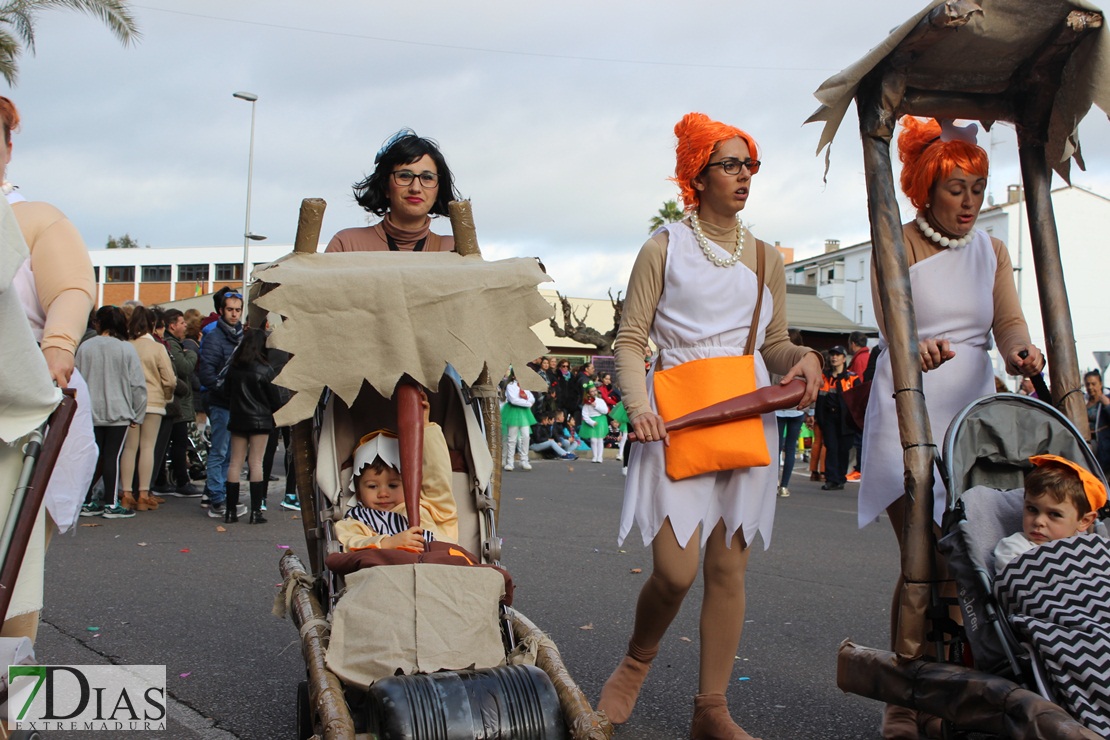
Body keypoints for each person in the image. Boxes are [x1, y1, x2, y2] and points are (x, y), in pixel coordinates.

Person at [599, 112, 822, 740]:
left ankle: (711, 709)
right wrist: (639, 406)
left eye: (748, 164)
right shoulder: (663, 246)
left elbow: (772, 344)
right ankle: (635, 663)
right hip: (672, 419)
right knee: (675, 572)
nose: (743, 175)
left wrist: (800, 360)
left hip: (746, 417)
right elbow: (631, 339)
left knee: (729, 571)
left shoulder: (764, 256)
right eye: (729, 164)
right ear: (696, 176)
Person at [857, 116, 1045, 739]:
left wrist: (1021, 353)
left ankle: (950, 693)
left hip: (972, 417)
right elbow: (892, 320)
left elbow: (1009, 322)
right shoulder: (899, 240)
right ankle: (903, 700)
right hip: (908, 403)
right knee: (921, 561)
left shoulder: (991, 250)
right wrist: (917, 346)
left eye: (979, 187)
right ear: (926, 188)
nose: (971, 201)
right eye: (957, 187)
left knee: (965, 561)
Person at [0, 96, 99, 644]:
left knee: (13, 571)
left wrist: (58, 346)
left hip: (22, 414)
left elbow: (70, 288)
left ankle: (11, 710)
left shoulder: (31, 218)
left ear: (9, 147)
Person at [335, 393, 457, 550]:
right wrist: (387, 543)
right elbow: (348, 543)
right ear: (358, 492)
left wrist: (424, 426)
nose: (383, 494)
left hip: (436, 566)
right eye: (372, 486)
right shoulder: (358, 521)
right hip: (391, 570)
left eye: (393, 485)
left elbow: (437, 477)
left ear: (409, 485)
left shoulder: (430, 508)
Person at [326, 129, 460, 253]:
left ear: (438, 190)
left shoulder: (455, 250)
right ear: (385, 186)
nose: (415, 188)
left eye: (427, 178)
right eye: (404, 176)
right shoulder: (346, 245)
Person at [75, 305, 146, 519]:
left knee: (92, 457)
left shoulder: (85, 348)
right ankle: (111, 503)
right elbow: (138, 385)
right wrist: (137, 412)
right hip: (119, 410)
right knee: (112, 457)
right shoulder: (126, 349)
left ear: (99, 323)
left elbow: (76, 380)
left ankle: (86, 500)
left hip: (90, 411)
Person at [992, 455, 1103, 571]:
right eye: (1032, 509)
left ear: (1084, 521)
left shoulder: (1089, 549)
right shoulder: (1014, 549)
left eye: (1054, 514)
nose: (1038, 521)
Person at [223, 328, 285, 524]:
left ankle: (230, 511)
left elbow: (226, 393)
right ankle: (256, 511)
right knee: (256, 463)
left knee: (235, 462)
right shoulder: (266, 370)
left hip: (238, 419)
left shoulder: (234, 368)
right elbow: (275, 399)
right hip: (260, 420)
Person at [118, 307, 175, 513]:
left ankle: (126, 493)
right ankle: (143, 493)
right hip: (153, 401)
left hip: (129, 402)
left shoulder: (125, 346)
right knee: (148, 447)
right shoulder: (157, 348)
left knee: (129, 448)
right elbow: (169, 379)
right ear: (152, 325)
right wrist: (166, 396)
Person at [196, 290, 245, 519]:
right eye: (230, 310)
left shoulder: (242, 335)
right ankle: (217, 498)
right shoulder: (214, 337)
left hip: (236, 403)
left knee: (229, 454)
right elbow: (206, 373)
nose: (234, 314)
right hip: (221, 402)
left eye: (237, 310)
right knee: (219, 451)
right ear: (221, 311)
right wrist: (225, 390)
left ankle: (220, 493)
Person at [158, 308, 201, 497]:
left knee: (170, 442)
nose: (185, 326)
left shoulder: (174, 343)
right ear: (172, 325)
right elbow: (183, 368)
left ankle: (162, 480)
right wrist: (191, 353)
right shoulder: (173, 346)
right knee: (178, 443)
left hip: (176, 402)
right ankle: (181, 481)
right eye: (182, 323)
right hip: (176, 402)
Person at [815, 346, 859, 491]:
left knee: (843, 449)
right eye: (832, 355)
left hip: (846, 420)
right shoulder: (824, 377)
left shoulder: (852, 378)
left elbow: (858, 400)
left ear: (844, 359)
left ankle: (840, 478)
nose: (834, 358)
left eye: (838, 355)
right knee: (831, 447)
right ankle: (831, 479)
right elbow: (819, 398)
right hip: (829, 418)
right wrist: (818, 418)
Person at [775, 329, 807, 498]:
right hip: (797, 408)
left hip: (779, 408)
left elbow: (772, 382)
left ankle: (774, 483)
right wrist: (809, 410)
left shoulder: (778, 358)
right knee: (790, 448)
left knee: (777, 447)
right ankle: (784, 486)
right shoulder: (804, 360)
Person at [501, 372, 537, 472]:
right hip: (513, 412)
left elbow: (532, 398)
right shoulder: (510, 386)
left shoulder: (525, 385)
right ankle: (510, 462)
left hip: (524, 414)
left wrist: (528, 402)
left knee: (525, 436)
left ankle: (524, 460)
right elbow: (513, 400)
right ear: (513, 376)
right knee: (512, 438)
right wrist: (527, 403)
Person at [1084, 370, 1110, 474]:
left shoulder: (1107, 399)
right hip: (1087, 446)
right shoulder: (1083, 401)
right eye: (1087, 384)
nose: (1090, 387)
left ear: (1100, 384)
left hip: (1104, 447)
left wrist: (1108, 405)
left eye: (1093, 384)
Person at [579, 383, 610, 464]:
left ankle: (600, 456)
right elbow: (585, 414)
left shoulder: (600, 401)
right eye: (592, 391)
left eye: (595, 391)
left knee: (600, 439)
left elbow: (605, 411)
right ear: (588, 393)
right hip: (592, 421)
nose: (594, 393)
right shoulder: (586, 404)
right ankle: (594, 456)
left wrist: (596, 406)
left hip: (600, 420)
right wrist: (591, 422)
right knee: (593, 440)